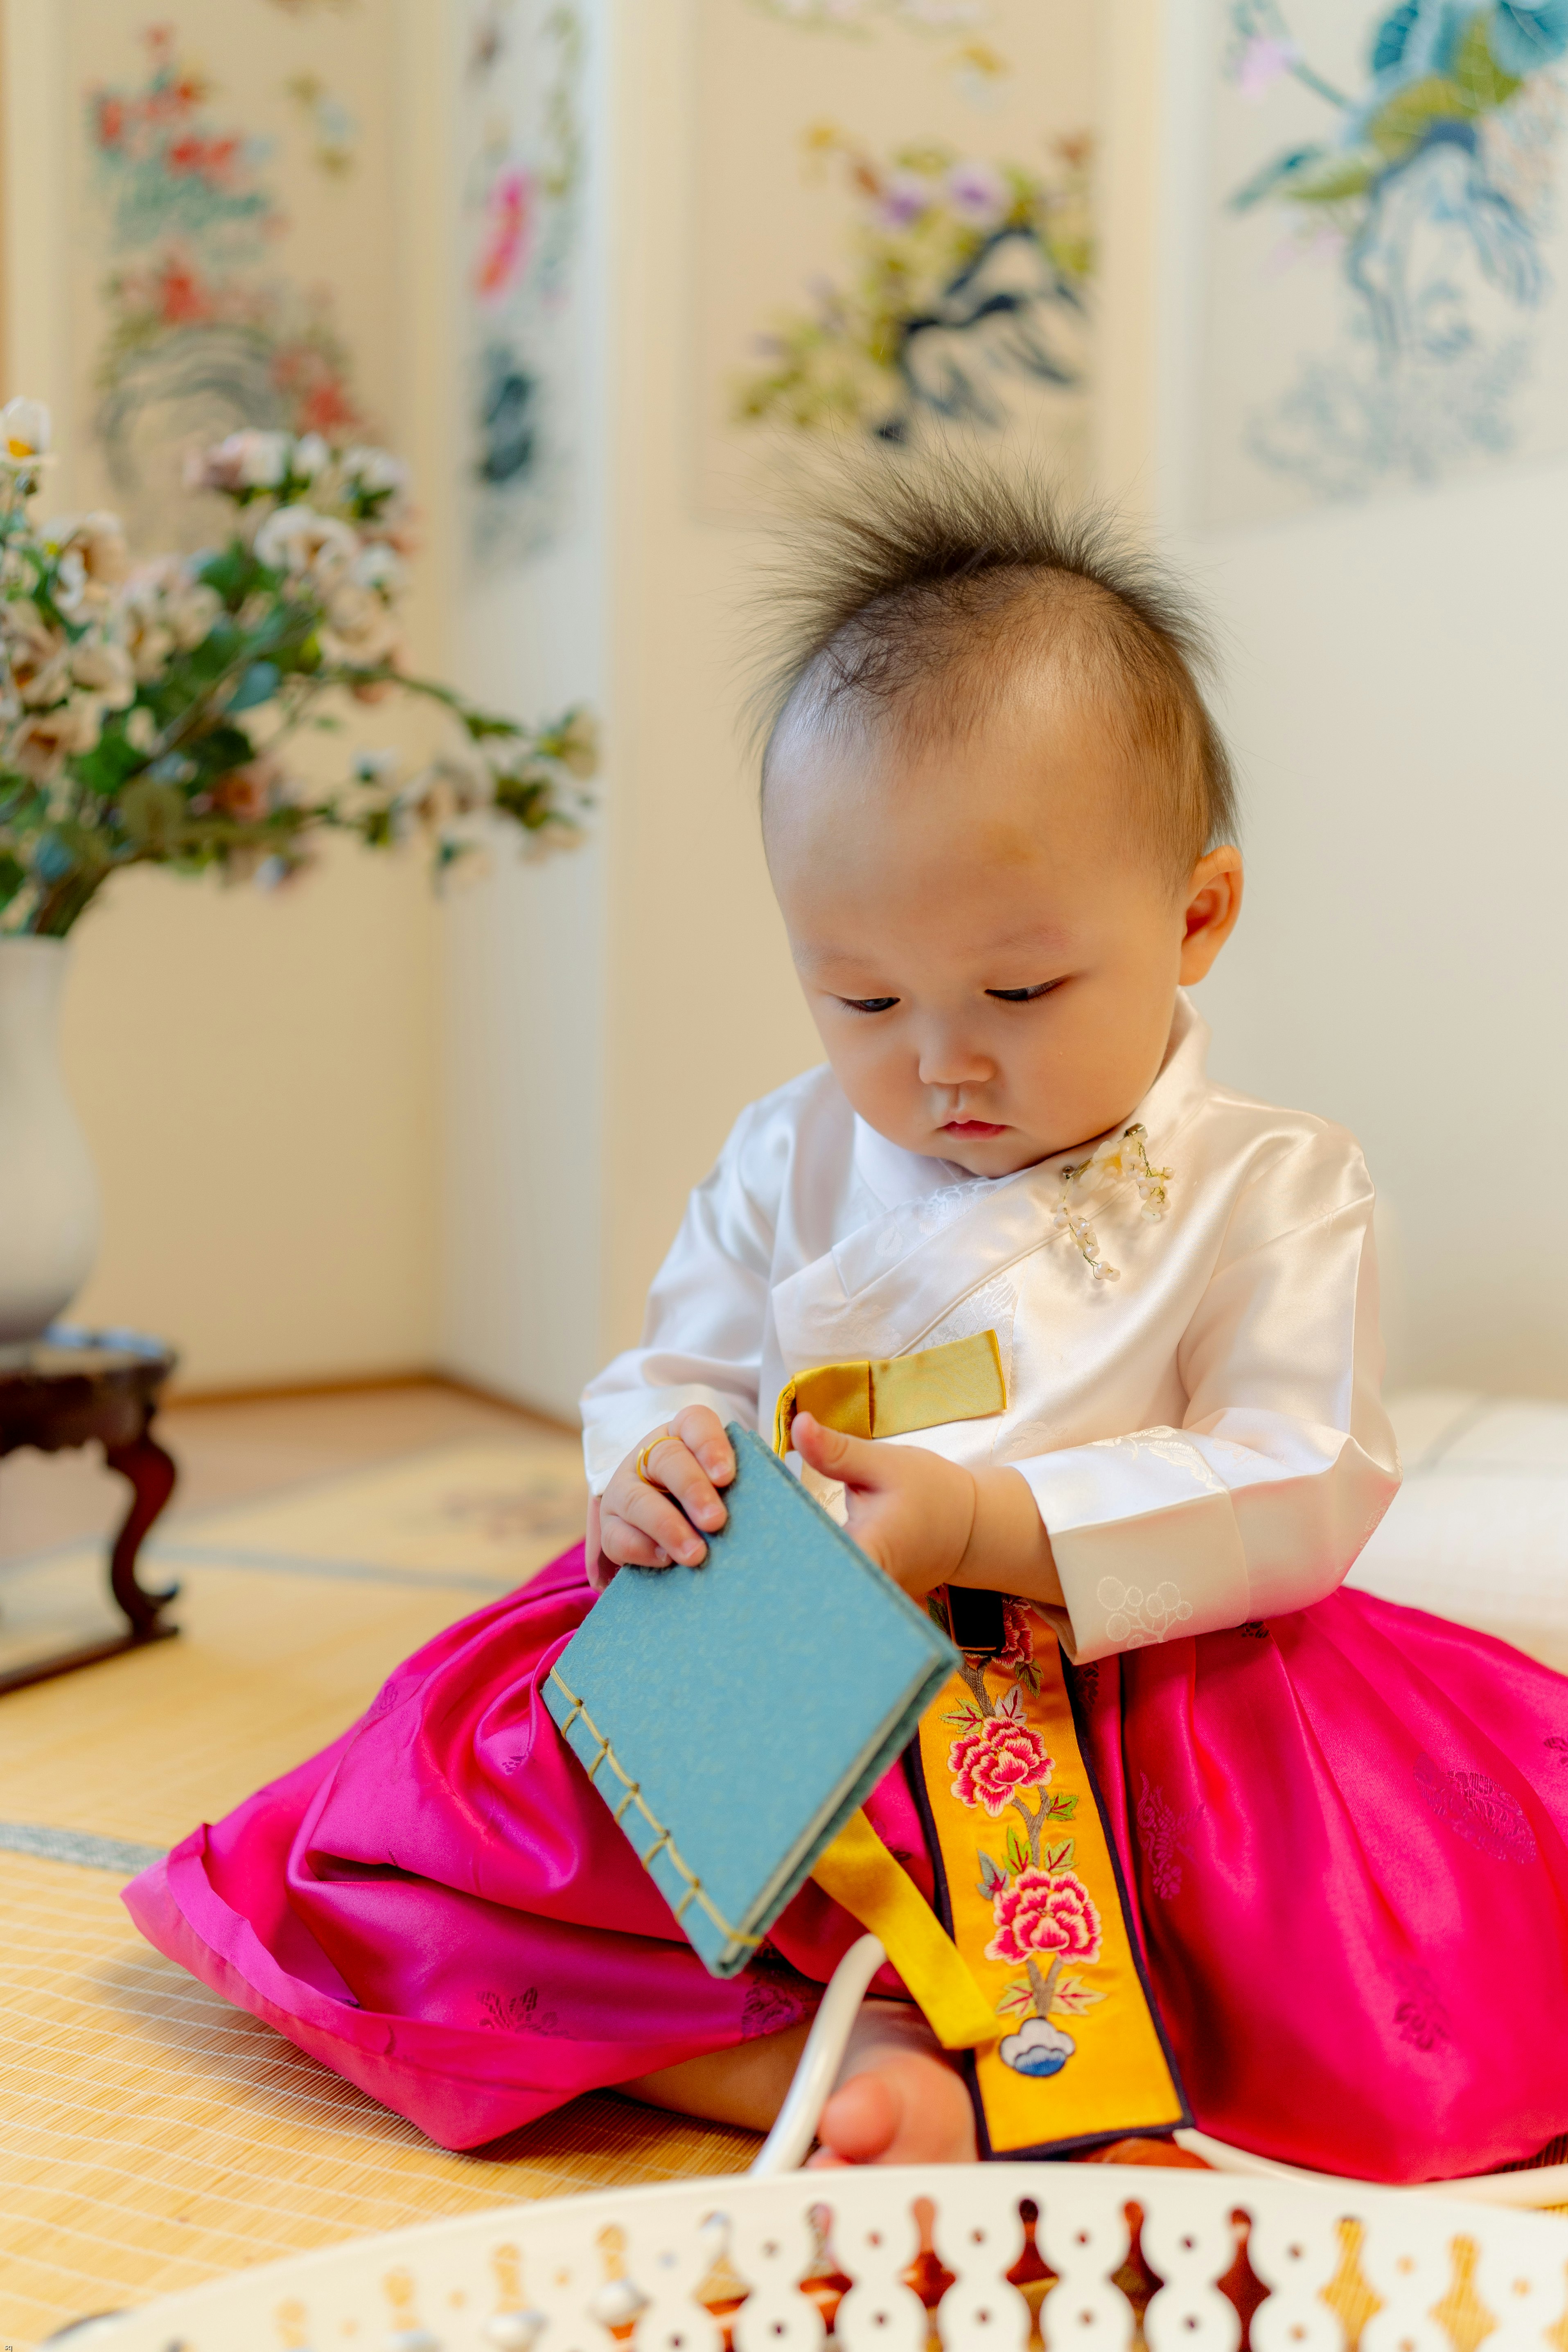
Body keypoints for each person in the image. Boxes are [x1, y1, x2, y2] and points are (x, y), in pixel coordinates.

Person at [126, 466, 1568, 2181]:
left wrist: (991, 1523)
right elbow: (674, 1365)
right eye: (861, 996)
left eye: (1019, 993)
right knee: (445, 1823)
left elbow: (1304, 1466)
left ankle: (967, 2070)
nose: (941, 1063)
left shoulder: (1273, 1182)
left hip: (1134, 1675)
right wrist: (651, 1466)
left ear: (1194, 917)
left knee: (1363, 1928)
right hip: (790, 1641)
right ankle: (827, 2052)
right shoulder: (786, 1154)